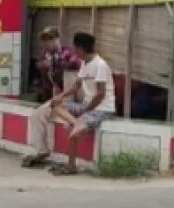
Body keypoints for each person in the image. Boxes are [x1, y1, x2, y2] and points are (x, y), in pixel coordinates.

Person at [22, 32, 116, 175]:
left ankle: (71, 166)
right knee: (55, 105)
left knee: (73, 135)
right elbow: (76, 86)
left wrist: (86, 110)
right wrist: (60, 96)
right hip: (87, 106)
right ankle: (75, 122)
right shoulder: (85, 63)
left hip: (102, 109)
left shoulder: (100, 65)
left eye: (75, 48)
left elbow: (101, 94)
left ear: (80, 49)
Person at [35, 27, 81, 103]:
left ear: (57, 40)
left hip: (69, 91)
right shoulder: (45, 54)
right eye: (44, 39)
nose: (46, 42)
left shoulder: (66, 52)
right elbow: (39, 65)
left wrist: (54, 63)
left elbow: (75, 63)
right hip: (52, 90)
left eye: (49, 39)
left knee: (68, 73)